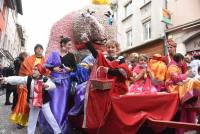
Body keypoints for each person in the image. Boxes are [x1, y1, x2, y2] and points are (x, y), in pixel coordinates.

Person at [0, 64, 61, 134]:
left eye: (36, 69)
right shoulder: (28, 78)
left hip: (44, 102)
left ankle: (58, 132)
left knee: (50, 117)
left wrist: (47, 85)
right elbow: (17, 79)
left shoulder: (45, 79)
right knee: (32, 120)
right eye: (33, 69)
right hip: (33, 103)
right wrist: (5, 79)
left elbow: (53, 85)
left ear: (40, 71)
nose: (33, 71)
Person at [40, 36, 76, 134]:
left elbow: (75, 69)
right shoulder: (54, 54)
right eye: (68, 44)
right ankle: (49, 125)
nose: (70, 46)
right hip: (53, 81)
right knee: (52, 102)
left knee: (62, 104)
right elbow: (46, 64)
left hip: (65, 82)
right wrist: (53, 69)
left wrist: (70, 69)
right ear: (63, 44)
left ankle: (60, 125)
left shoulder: (71, 56)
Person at [10, 44, 47, 129]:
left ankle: (35, 120)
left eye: (41, 49)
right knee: (25, 103)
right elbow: (23, 70)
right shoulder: (28, 59)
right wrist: (28, 78)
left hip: (39, 86)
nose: (39, 50)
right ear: (35, 50)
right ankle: (22, 122)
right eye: (38, 49)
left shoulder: (45, 61)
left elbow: (46, 72)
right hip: (27, 84)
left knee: (37, 104)